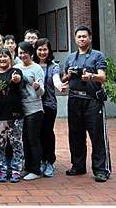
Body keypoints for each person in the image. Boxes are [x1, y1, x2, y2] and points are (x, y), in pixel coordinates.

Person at [61, 25, 111, 183]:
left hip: (92, 100)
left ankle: (101, 169)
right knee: (75, 134)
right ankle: (78, 165)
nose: (82, 39)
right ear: (75, 39)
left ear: (90, 38)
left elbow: (102, 77)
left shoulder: (97, 55)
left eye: (84, 36)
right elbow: (64, 79)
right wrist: (68, 76)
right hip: (74, 99)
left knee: (97, 135)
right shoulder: (70, 57)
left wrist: (91, 76)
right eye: (79, 37)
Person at [0, 48, 24, 183]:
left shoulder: (16, 72)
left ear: (10, 58)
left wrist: (16, 79)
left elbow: (18, 80)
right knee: (1, 144)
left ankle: (16, 170)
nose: (2, 59)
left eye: (5, 56)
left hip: (15, 115)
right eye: (0, 56)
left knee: (16, 143)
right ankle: (2, 169)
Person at [33, 38, 64, 178]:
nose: (42, 52)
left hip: (49, 105)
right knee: (36, 134)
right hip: (34, 105)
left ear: (49, 50)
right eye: (39, 49)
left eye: (45, 49)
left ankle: (49, 161)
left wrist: (60, 86)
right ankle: (39, 160)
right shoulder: (32, 65)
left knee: (47, 133)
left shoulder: (53, 66)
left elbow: (56, 79)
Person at [17, 41, 45, 181]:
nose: (22, 55)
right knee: (24, 140)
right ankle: (27, 167)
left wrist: (36, 87)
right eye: (20, 53)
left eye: (25, 53)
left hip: (34, 109)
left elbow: (42, 92)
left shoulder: (37, 68)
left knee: (33, 139)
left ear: (31, 54)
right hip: (21, 109)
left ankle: (35, 169)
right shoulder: (16, 67)